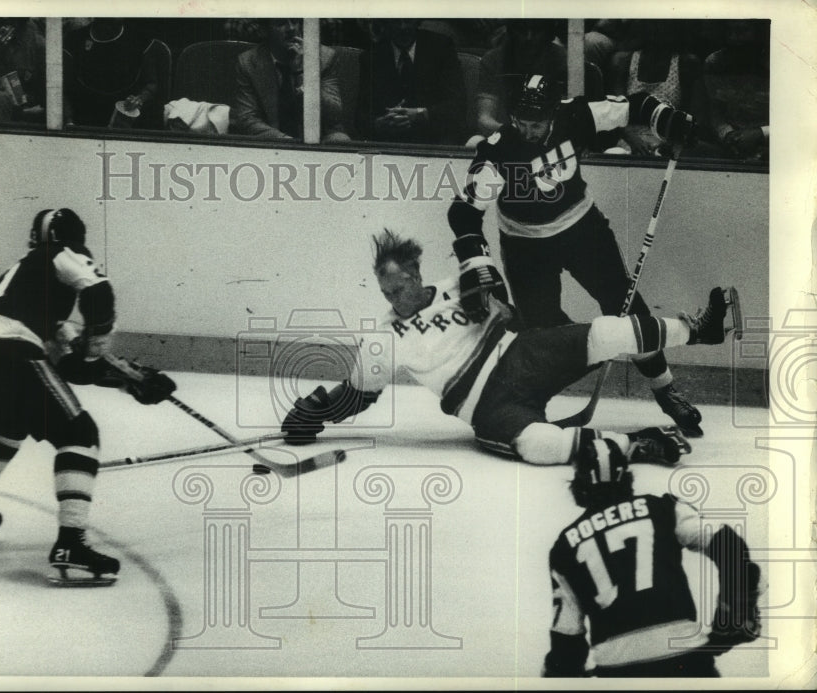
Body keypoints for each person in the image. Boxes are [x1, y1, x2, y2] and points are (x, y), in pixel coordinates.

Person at [280, 229, 743, 467]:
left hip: (522, 356)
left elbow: (516, 317)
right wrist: (313, 412)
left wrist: (497, 303)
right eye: (386, 293)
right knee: (540, 447)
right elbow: (358, 394)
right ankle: (638, 446)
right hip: (487, 406)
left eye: (399, 288)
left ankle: (699, 329)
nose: (393, 300)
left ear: (417, 275)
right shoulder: (383, 338)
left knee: (608, 332)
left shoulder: (456, 287)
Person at [448, 74, 705, 436]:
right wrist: (477, 263)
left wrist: (669, 121)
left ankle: (667, 392)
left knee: (627, 308)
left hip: (584, 232)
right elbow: (464, 213)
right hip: (526, 247)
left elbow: (637, 105)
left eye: (535, 123)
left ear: (553, 113)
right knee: (541, 333)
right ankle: (535, 403)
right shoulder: (499, 148)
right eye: (520, 121)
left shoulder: (577, 115)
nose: (527, 130)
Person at [0, 208, 176, 586]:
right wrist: (97, 349)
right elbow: (98, 292)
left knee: (5, 425)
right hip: (10, 348)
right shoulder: (60, 254)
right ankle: (70, 545)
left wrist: (128, 380)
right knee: (79, 433)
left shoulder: (25, 282)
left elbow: (69, 368)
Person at [542, 437, 763, 677]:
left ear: (579, 483)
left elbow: (567, 636)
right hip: (686, 657)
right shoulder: (664, 508)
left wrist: (560, 674)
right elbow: (731, 547)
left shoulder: (564, 546)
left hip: (617, 666)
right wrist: (734, 612)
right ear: (626, 476)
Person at [230, 18, 350, 142]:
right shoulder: (248, 62)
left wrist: (302, 73)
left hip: (317, 138)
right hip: (274, 139)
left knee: (339, 139)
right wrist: (286, 142)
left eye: (295, 21)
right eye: (281, 23)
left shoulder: (324, 57)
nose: (291, 28)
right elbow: (247, 118)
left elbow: (334, 116)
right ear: (265, 31)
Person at [356, 19, 466, 145]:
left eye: (408, 21)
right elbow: (360, 116)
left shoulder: (441, 47)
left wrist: (422, 115)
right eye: (396, 22)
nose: (402, 27)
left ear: (417, 21)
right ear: (386, 23)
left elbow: (457, 106)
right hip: (389, 141)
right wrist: (378, 124)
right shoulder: (372, 56)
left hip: (434, 139)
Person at [607, 20, 707, 156]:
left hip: (671, 142)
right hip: (630, 141)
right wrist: (631, 138)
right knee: (614, 154)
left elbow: (697, 117)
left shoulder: (687, 63)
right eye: (653, 23)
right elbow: (614, 110)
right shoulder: (622, 61)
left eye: (663, 23)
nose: (657, 28)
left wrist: (672, 142)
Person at [63, 18, 166, 130]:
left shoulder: (140, 39)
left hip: (126, 116)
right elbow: (62, 89)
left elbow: (151, 84)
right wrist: (69, 122)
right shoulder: (73, 39)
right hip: (84, 114)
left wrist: (139, 99)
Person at [474, 20, 567, 137]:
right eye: (522, 30)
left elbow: (569, 122)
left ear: (549, 32)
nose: (529, 37)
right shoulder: (493, 60)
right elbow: (484, 120)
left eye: (537, 31)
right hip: (504, 139)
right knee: (475, 141)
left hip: (550, 141)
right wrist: (517, 135)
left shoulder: (564, 61)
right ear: (511, 30)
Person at [703, 20, 770, 162]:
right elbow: (714, 111)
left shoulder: (780, 62)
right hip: (729, 146)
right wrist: (728, 134)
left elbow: (795, 120)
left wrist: (760, 134)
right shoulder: (715, 62)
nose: (733, 38)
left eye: (742, 31)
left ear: (758, 32)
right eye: (729, 31)